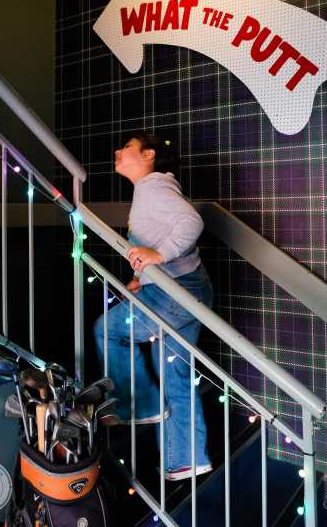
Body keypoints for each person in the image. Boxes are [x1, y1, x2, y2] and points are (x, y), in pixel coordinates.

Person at [93, 130, 213, 481]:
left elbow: (192, 221)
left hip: (174, 293)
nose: (118, 151)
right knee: (175, 376)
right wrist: (142, 276)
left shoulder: (153, 186)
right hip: (190, 291)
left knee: (107, 331)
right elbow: (158, 237)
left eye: (127, 147)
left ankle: (141, 403)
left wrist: (159, 255)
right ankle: (187, 460)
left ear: (148, 155)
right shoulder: (151, 189)